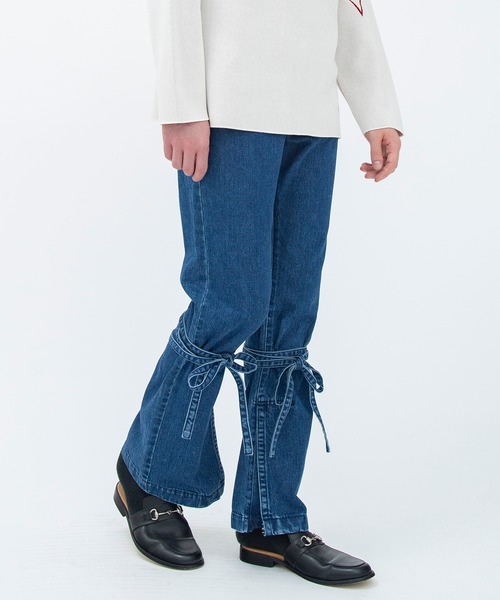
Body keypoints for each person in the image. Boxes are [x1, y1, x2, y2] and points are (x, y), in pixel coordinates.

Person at [113, 0, 403, 586]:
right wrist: (181, 106)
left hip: (311, 117)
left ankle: (271, 519)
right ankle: (147, 477)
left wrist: (377, 109)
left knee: (288, 321)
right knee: (229, 304)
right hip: (227, 109)